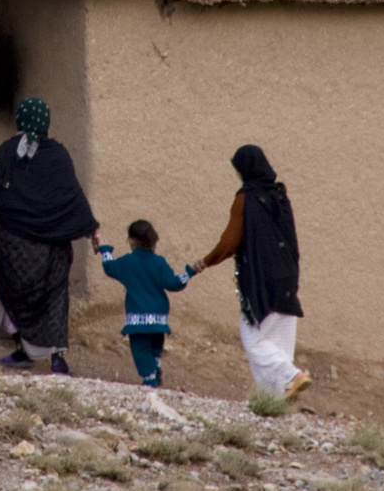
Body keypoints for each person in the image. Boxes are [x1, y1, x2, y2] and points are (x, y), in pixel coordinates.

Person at [0, 96, 100, 375]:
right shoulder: (58, 154)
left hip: (15, 248)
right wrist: (93, 229)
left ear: (21, 119)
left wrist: (10, 212)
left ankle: (23, 351)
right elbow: (74, 197)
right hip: (52, 249)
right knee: (54, 298)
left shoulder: (8, 151)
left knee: (15, 293)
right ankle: (58, 360)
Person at [196, 144, 311, 400]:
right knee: (279, 343)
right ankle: (276, 400)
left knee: (254, 338)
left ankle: (292, 377)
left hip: (262, 278)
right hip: (288, 276)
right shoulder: (280, 196)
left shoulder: (246, 197)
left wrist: (204, 262)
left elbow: (229, 242)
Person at [98, 218, 196, 387]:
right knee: (155, 345)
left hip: (138, 318)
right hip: (159, 317)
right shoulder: (159, 262)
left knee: (141, 349)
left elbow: (109, 267)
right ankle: (156, 364)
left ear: (131, 241)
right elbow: (173, 283)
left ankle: (149, 377)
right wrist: (189, 273)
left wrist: (104, 249)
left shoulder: (127, 262)